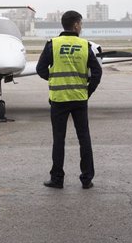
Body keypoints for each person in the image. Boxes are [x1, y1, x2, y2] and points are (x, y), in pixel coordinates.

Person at [36, 10, 103, 189]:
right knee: (84, 138)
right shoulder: (84, 45)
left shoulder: (52, 44)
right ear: (75, 25)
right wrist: (87, 91)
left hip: (59, 99)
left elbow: (40, 69)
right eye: (80, 24)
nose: (81, 27)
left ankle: (57, 179)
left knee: (59, 139)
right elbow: (97, 72)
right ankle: (87, 179)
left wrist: (54, 79)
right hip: (80, 99)